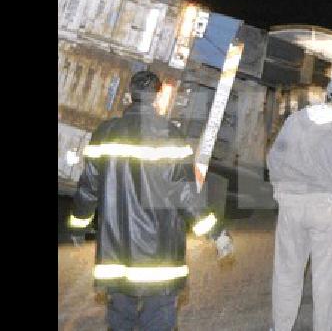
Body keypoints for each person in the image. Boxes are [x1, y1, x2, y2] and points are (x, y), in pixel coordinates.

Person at [68, 70, 233, 331]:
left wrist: (78, 226)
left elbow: (88, 188)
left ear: (129, 96)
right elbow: (186, 195)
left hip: (116, 252)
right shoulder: (171, 136)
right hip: (160, 255)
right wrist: (216, 233)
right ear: (158, 97)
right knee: (158, 321)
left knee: (120, 320)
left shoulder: (105, 134)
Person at [266, 76, 332, 331]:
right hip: (325, 209)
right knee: (326, 275)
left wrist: (280, 189)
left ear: (326, 95)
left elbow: (274, 158)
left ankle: (281, 327)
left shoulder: (295, 122)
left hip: (291, 205)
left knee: (287, 272)